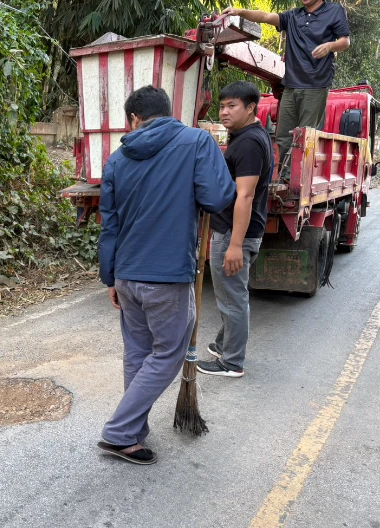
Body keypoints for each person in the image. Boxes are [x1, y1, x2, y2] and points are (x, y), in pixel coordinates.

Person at [98, 86, 235, 465]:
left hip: (126, 273)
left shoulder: (116, 159)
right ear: (168, 112)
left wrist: (110, 277)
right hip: (168, 274)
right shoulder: (196, 142)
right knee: (168, 354)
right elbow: (218, 198)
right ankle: (119, 432)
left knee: (138, 353)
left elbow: (109, 225)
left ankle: (132, 433)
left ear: (134, 120)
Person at [197, 82, 274, 378]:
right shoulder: (247, 136)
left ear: (250, 107)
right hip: (235, 229)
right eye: (223, 106)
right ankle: (223, 343)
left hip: (234, 232)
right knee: (230, 295)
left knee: (232, 297)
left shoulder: (249, 143)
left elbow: (245, 195)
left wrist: (234, 245)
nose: (225, 112)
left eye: (232, 106)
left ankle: (231, 362)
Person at [223, 1, 350, 177]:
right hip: (291, 84)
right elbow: (265, 17)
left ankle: (300, 179)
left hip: (316, 83)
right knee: (283, 136)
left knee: (305, 136)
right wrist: (240, 11)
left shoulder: (335, 11)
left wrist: (330, 46)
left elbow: (345, 41)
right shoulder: (293, 16)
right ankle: (286, 177)